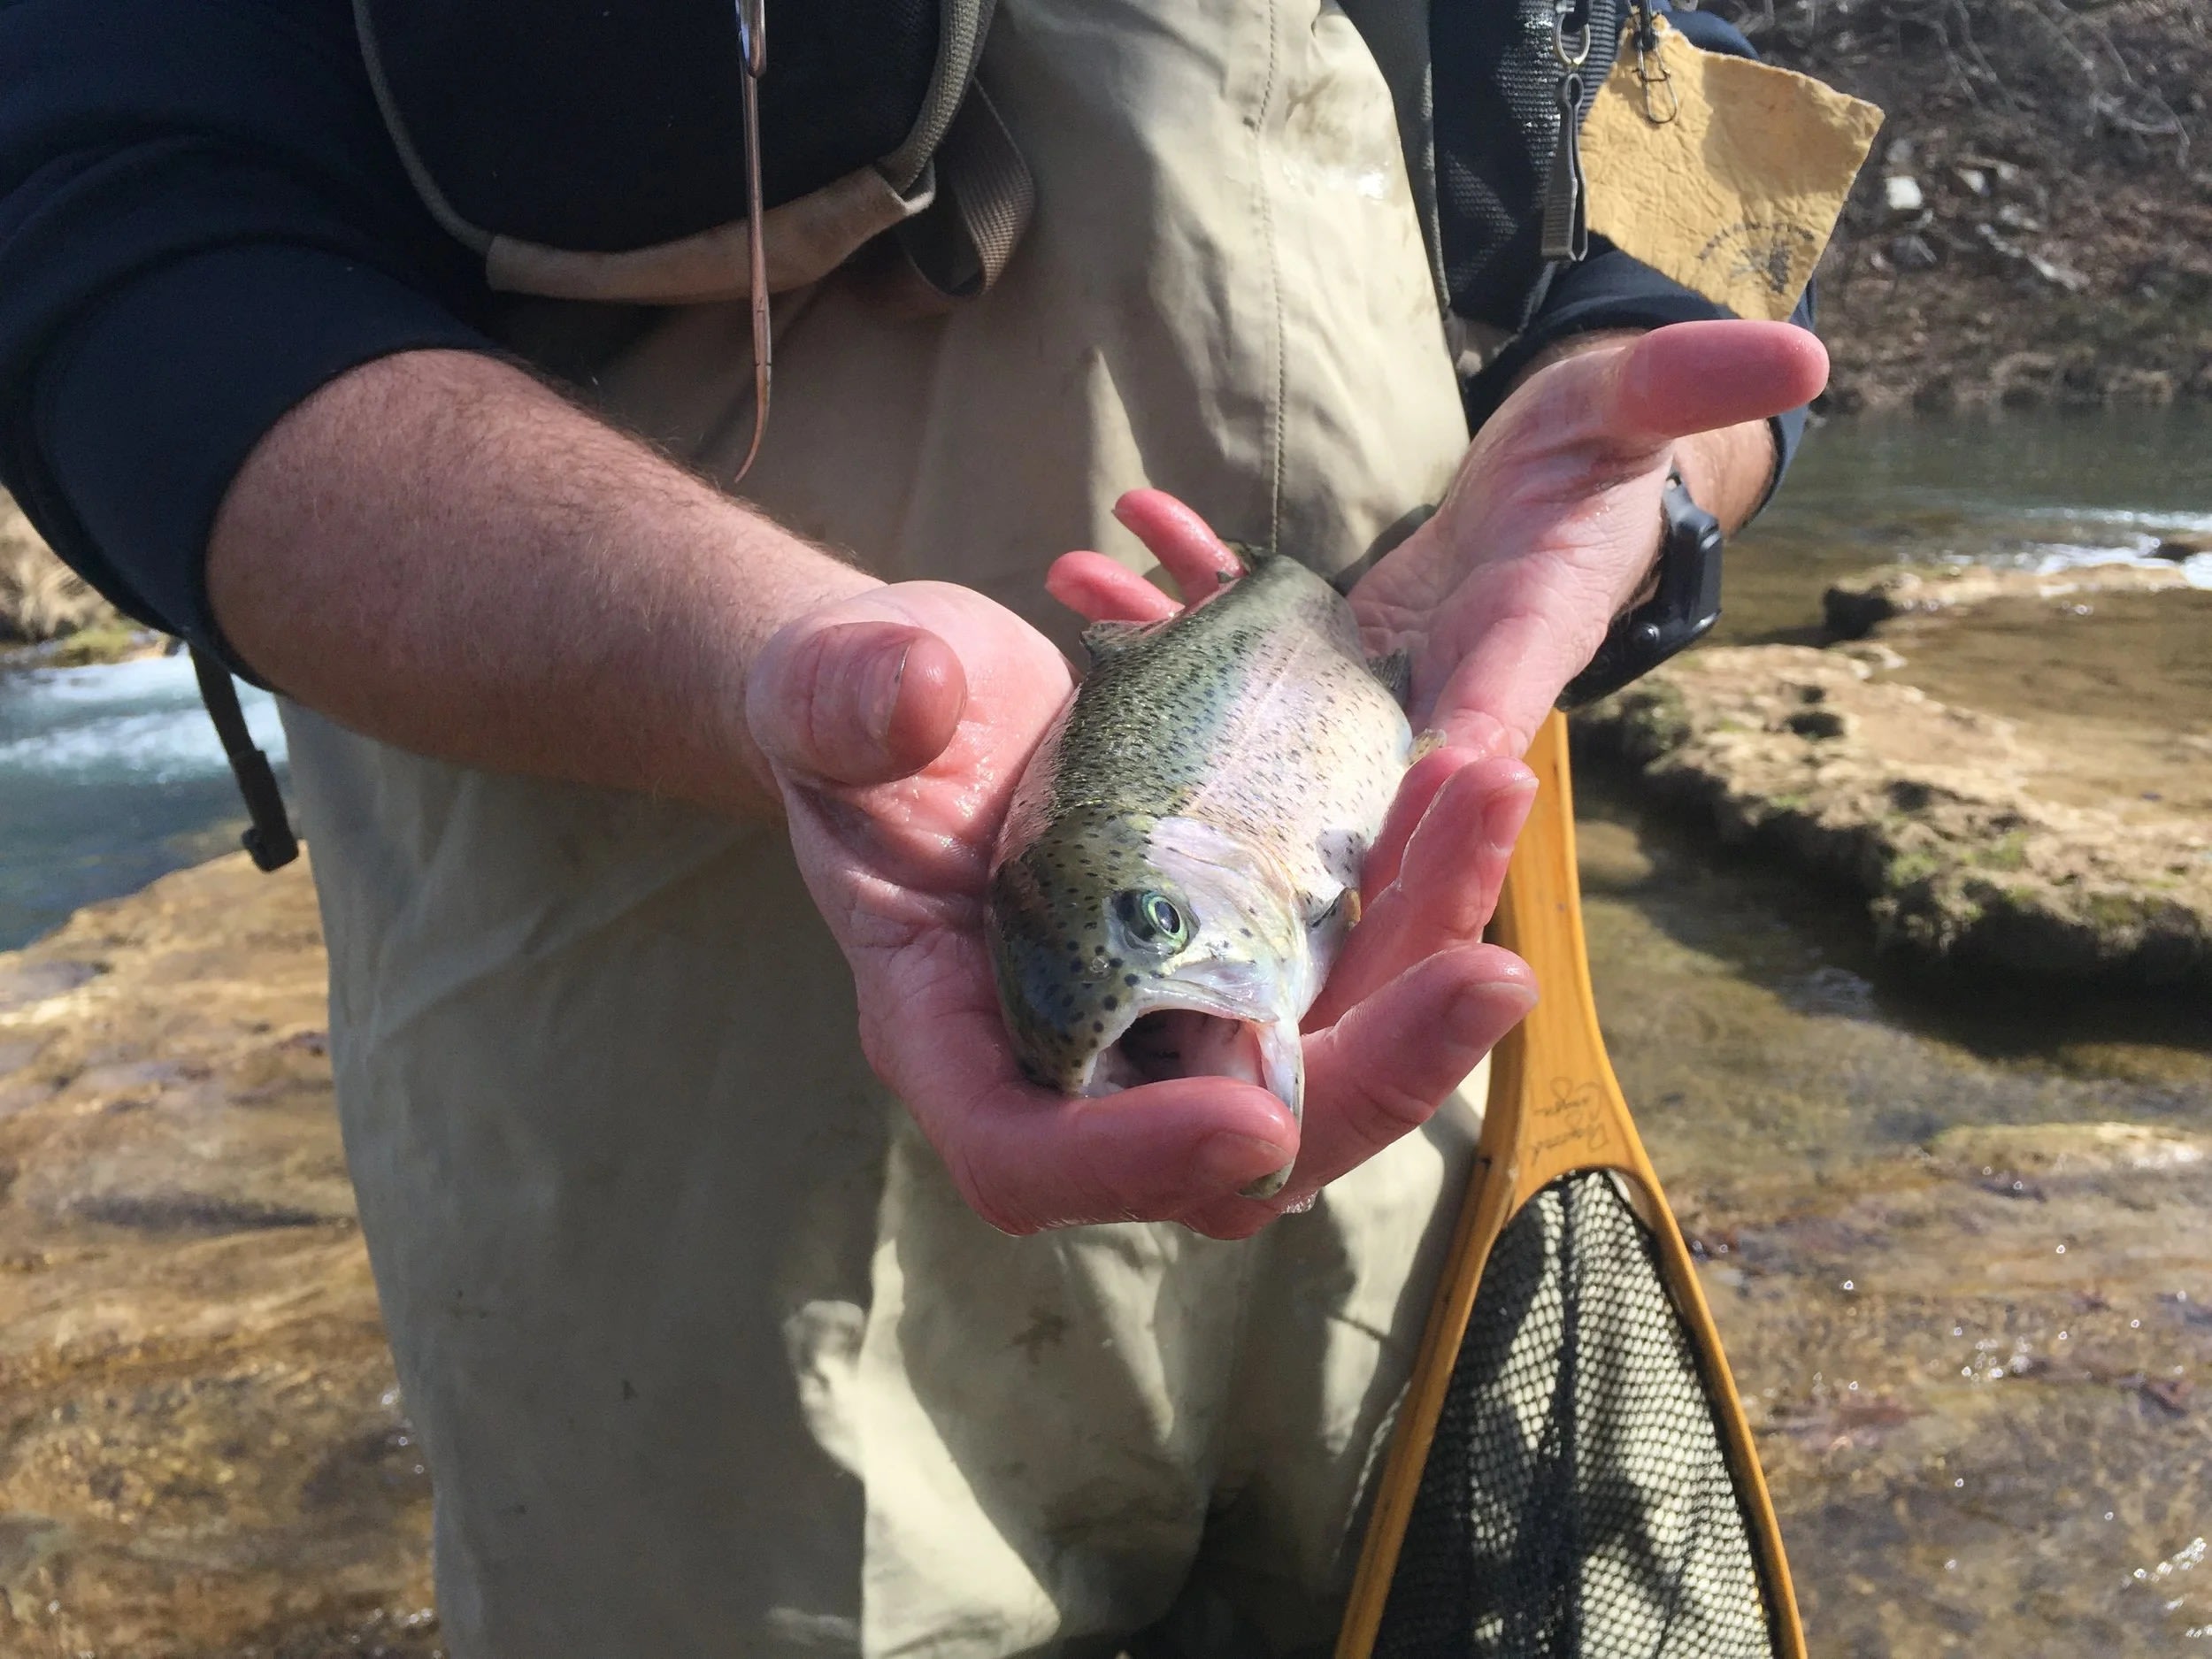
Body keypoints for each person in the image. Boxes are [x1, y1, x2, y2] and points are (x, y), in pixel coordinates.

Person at [0, 0, 1828, 1651]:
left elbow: (1704, 106)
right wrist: (779, 666)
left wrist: (1663, 456)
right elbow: (98, 256)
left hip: (1398, 986)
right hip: (683, 1104)